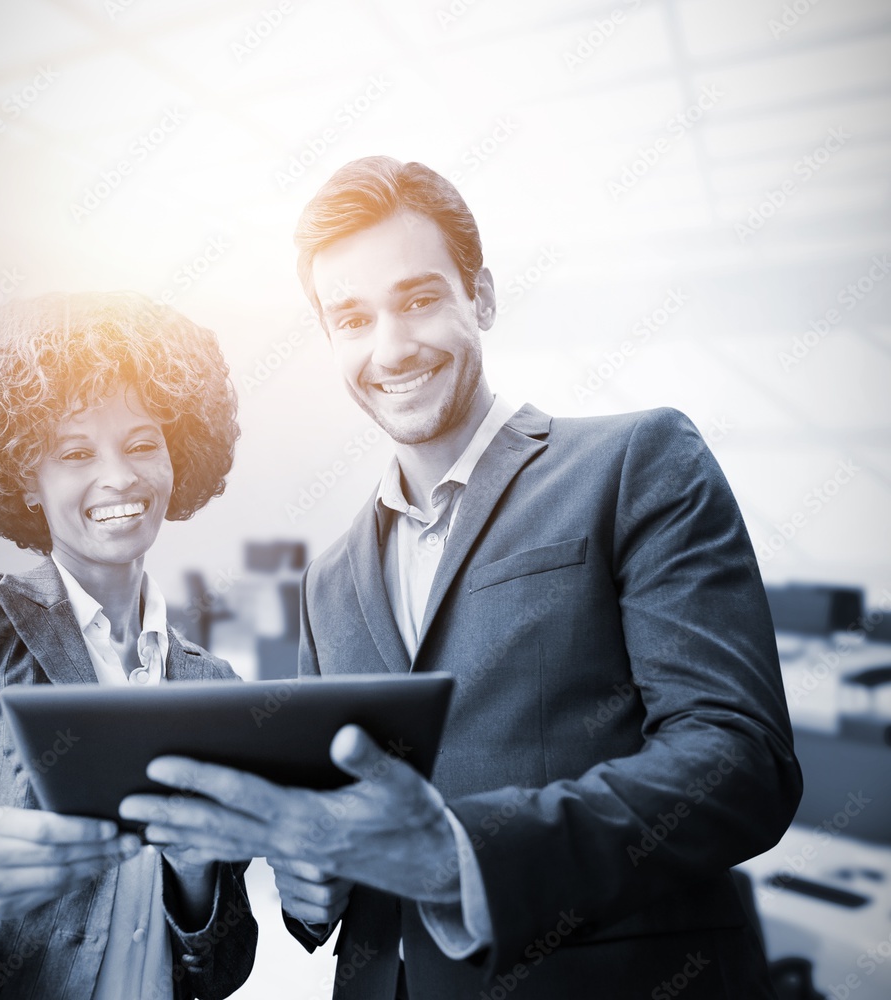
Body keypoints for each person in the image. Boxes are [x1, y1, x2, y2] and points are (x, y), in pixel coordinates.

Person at [120, 157, 803, 999]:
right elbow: (330, 845)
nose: (391, 347)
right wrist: (309, 881)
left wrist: (456, 854)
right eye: (352, 318)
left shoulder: (636, 462)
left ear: (479, 296)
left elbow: (739, 760)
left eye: (418, 300)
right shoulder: (328, 582)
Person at [0, 292, 256, 999]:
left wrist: (195, 879)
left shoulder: (214, 683)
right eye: (75, 452)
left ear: (178, 455)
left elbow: (221, 972)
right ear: (27, 475)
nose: (118, 476)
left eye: (144, 443)